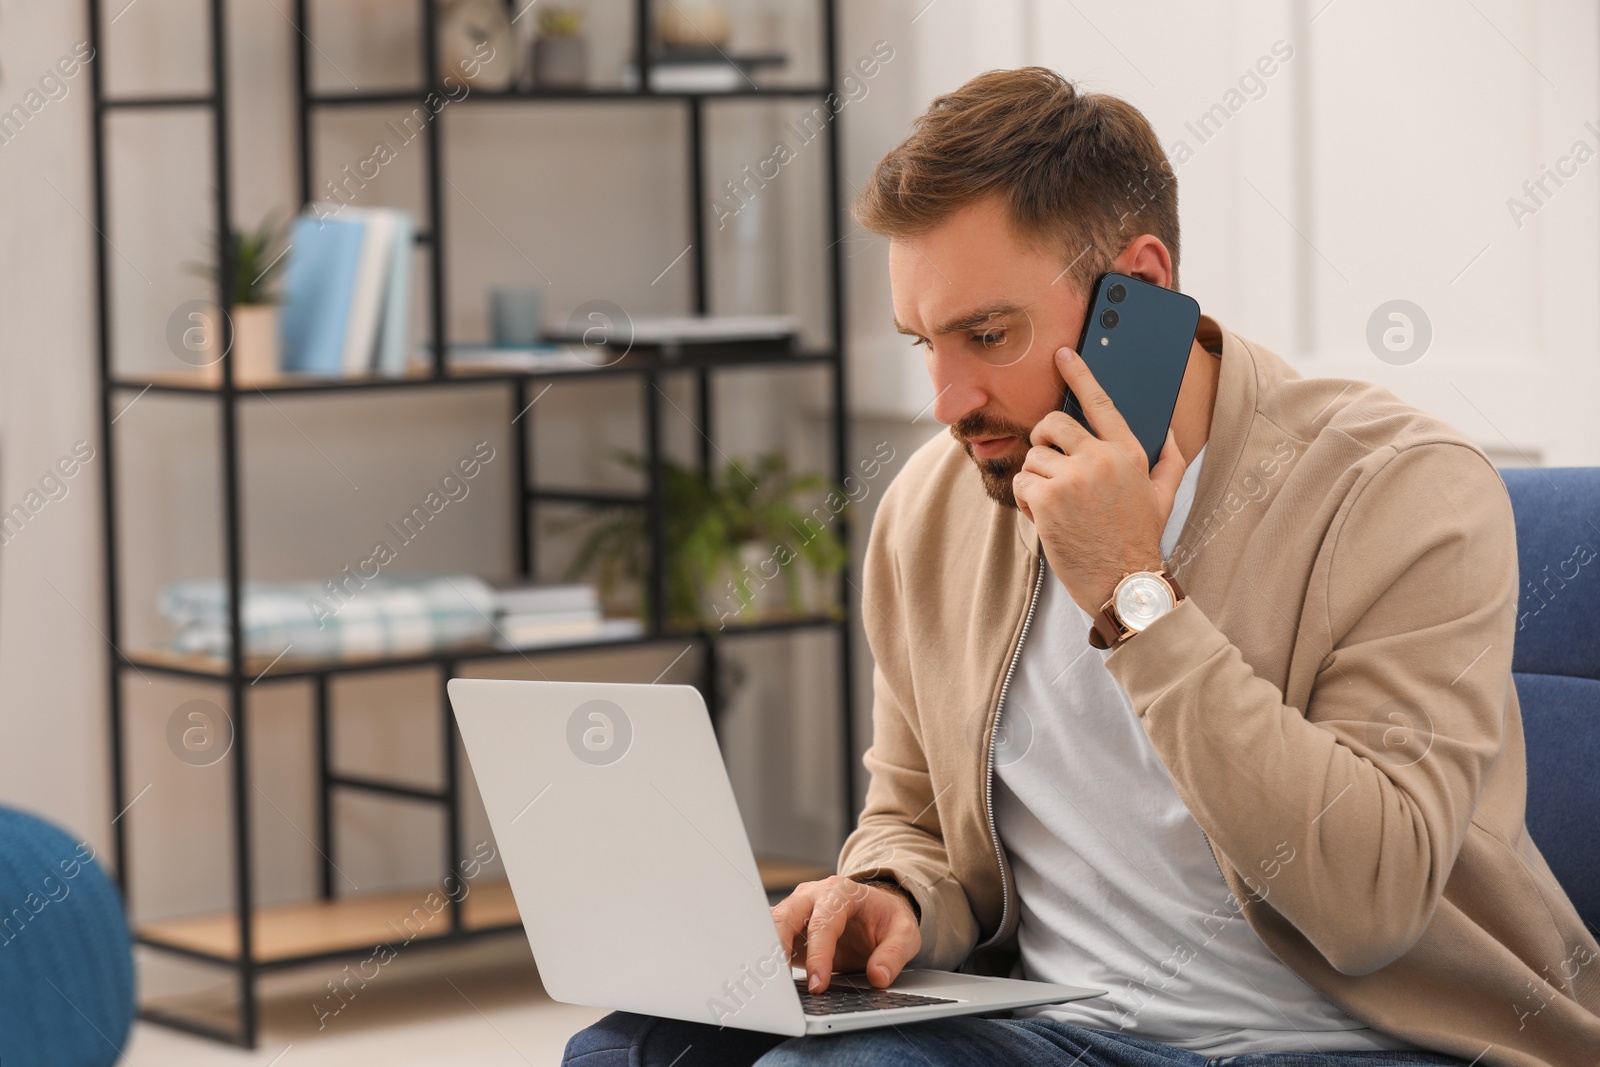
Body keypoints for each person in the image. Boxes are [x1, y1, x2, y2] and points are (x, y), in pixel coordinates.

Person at [563, 67, 1600, 1067]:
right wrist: (891, 893)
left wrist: (1130, 589)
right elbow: (914, 817)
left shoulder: (1400, 490)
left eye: (987, 332)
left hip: (1354, 1042)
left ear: (1137, 290)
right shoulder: (933, 509)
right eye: (923, 340)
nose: (947, 398)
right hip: (1051, 1030)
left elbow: (1368, 903)